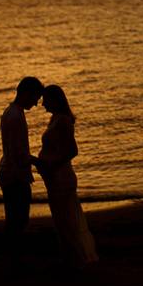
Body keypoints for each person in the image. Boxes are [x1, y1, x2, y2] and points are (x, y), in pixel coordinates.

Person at [34, 85, 98, 269]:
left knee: (66, 221)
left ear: (55, 100)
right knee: (61, 220)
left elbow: (72, 150)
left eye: (46, 100)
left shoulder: (63, 120)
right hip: (54, 177)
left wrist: (51, 165)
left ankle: (76, 260)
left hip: (61, 178)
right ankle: (70, 258)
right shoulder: (55, 118)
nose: (42, 104)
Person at [0, 76, 44, 262]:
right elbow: (18, 153)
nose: (36, 103)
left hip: (10, 172)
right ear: (26, 94)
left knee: (15, 220)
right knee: (19, 220)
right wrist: (39, 162)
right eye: (35, 98)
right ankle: (13, 259)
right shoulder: (15, 116)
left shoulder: (11, 111)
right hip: (14, 175)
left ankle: (12, 258)